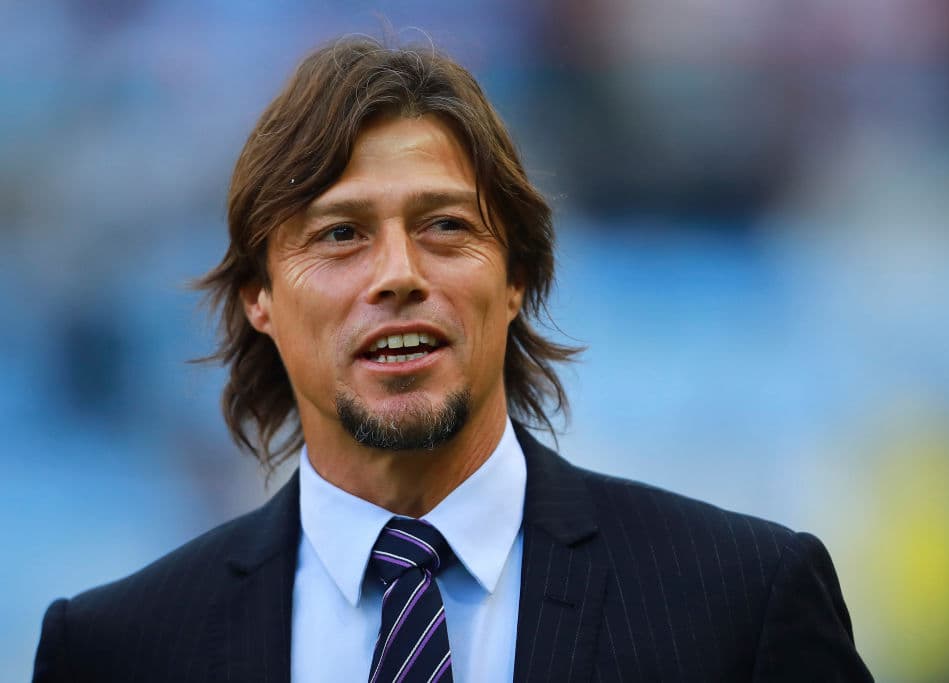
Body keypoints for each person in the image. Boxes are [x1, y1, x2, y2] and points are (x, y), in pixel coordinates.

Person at [33, 37, 873, 682]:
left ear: (516, 279)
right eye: (340, 234)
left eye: (445, 226)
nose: (398, 273)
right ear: (260, 295)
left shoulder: (740, 602)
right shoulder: (115, 649)